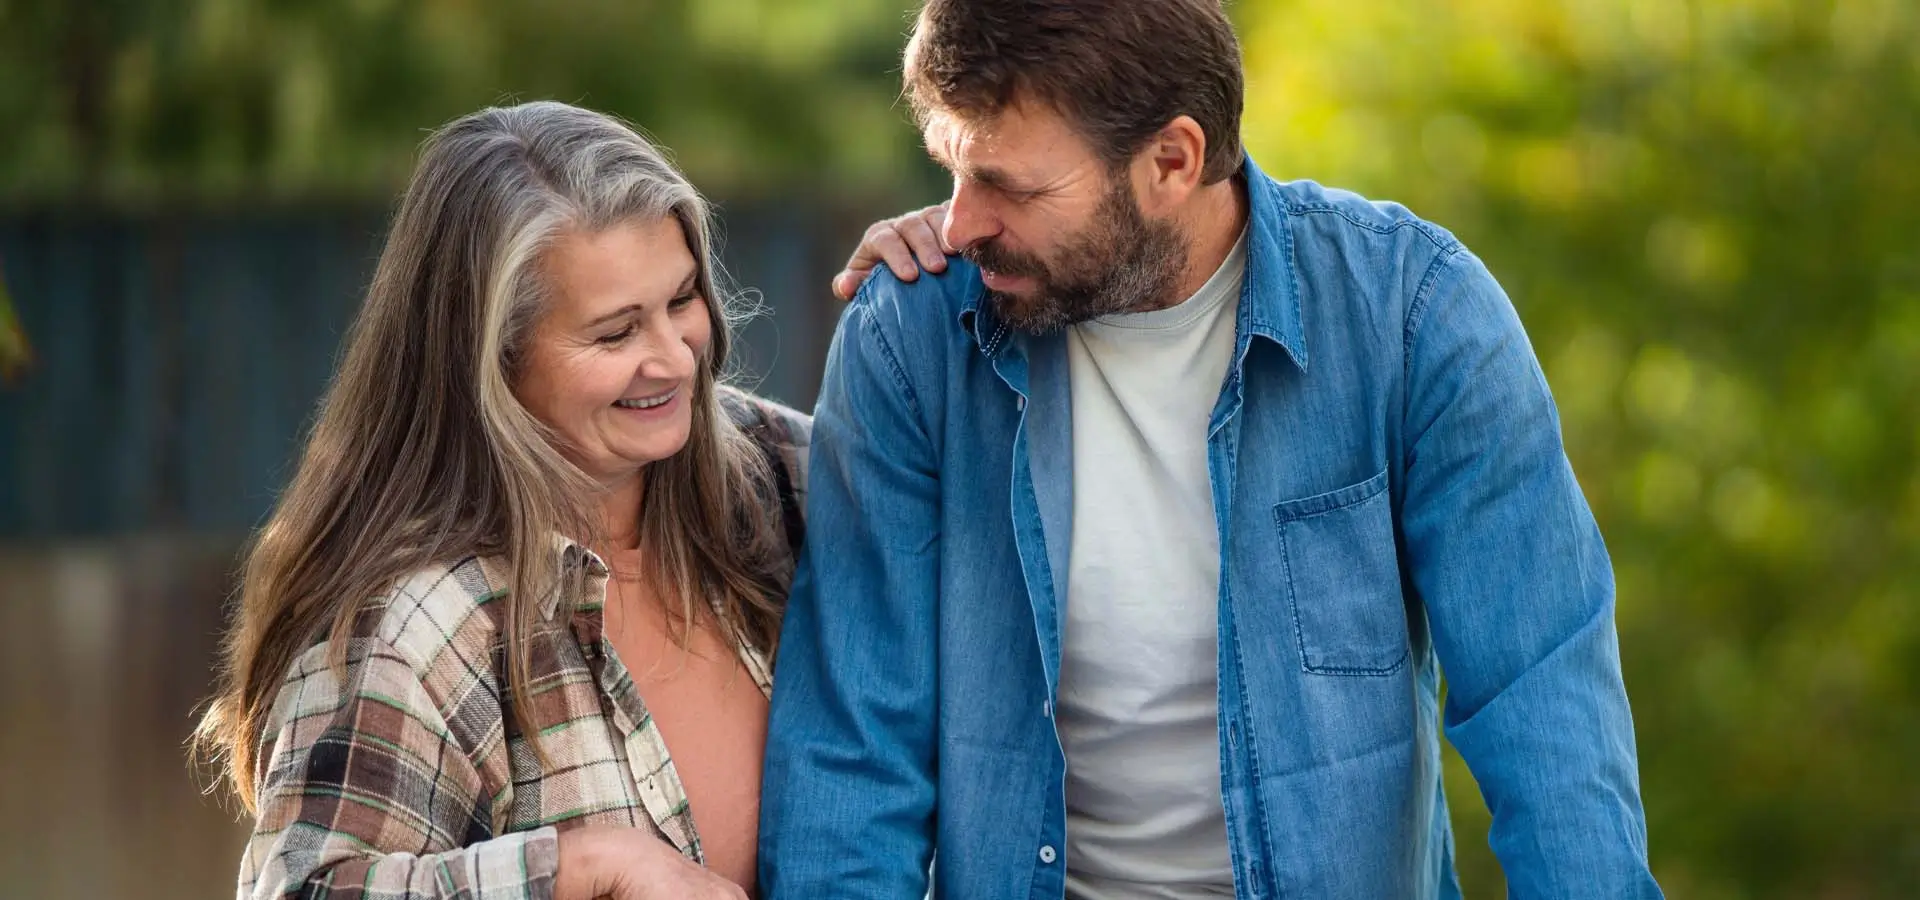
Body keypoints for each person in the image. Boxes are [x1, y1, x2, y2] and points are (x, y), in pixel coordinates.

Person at [759, 2, 1664, 898]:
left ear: (1172, 161)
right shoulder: (913, 335)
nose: (958, 226)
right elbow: (854, 752)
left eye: (1012, 188)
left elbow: (1544, 705)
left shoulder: (1413, 315)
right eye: (954, 172)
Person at [191, 99, 928, 900]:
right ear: (492, 359)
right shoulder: (412, 631)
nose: (675, 361)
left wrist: (942, 283)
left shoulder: (785, 476)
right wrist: (582, 871)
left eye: (681, 302)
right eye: (615, 334)